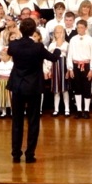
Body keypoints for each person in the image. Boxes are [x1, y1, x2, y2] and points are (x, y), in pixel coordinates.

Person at [6, 17, 61, 163]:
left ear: (21, 29)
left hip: (17, 86)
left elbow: (11, 51)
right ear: (33, 31)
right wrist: (58, 47)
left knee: (16, 121)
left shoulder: (14, 45)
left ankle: (16, 154)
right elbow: (54, 58)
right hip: (33, 87)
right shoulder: (38, 47)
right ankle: (30, 154)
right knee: (33, 121)